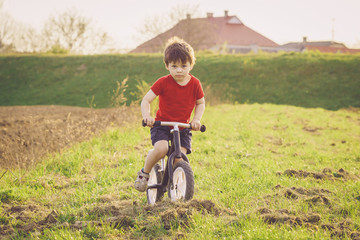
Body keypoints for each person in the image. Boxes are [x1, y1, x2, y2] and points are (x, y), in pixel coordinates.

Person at [134, 36, 205, 192]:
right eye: (174, 66)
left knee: (179, 159)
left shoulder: (195, 84)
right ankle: (144, 173)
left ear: (191, 65)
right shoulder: (163, 82)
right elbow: (146, 100)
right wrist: (147, 117)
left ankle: (177, 188)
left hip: (183, 127)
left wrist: (196, 120)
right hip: (162, 125)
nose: (179, 70)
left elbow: (200, 103)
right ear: (167, 66)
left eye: (183, 66)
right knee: (161, 149)